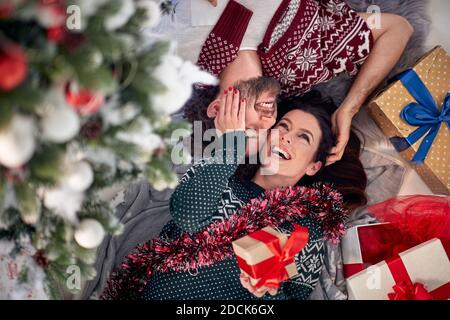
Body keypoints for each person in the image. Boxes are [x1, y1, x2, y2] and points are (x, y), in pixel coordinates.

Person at [101, 90, 367, 300]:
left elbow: (297, 295)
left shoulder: (304, 229)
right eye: (283, 127)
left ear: (314, 166)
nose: (285, 138)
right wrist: (232, 143)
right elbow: (186, 215)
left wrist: (264, 295)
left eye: (303, 137)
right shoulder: (223, 179)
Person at [157, 0, 413, 165]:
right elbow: (398, 28)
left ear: (217, 109)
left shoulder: (180, 51)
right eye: (267, 130)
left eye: (249, 130)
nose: (266, 121)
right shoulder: (302, 70)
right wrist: (349, 108)